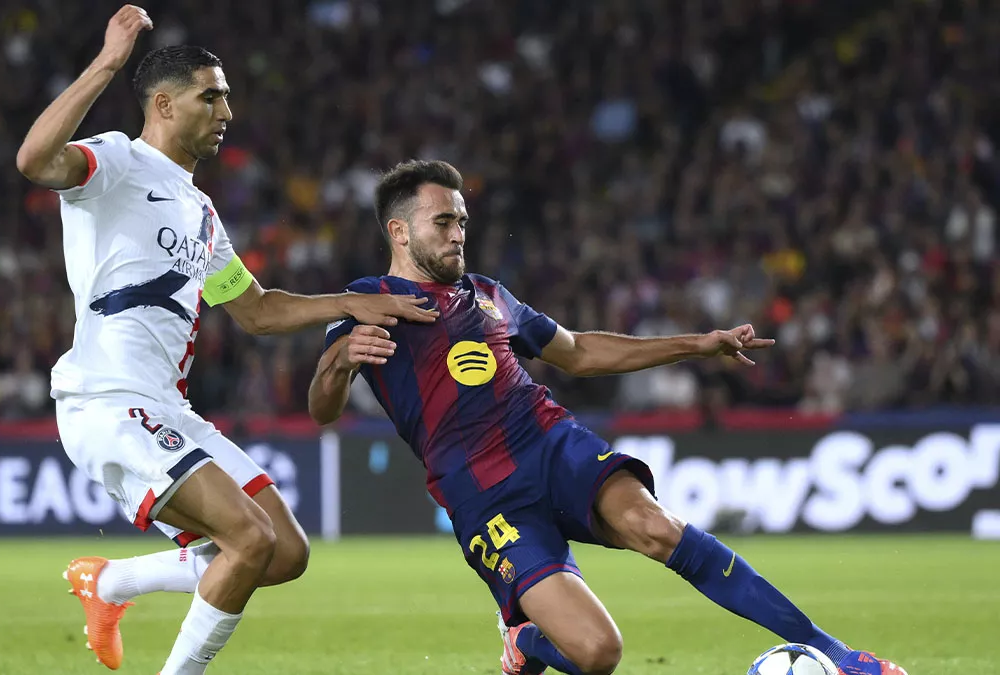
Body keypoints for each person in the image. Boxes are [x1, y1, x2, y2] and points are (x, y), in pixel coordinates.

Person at [308, 159, 907, 675]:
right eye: (444, 222)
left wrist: (696, 345)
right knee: (597, 653)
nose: (459, 234)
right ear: (399, 230)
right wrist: (340, 362)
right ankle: (525, 640)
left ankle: (837, 655)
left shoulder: (488, 294)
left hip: (548, 442)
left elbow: (579, 351)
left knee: (657, 527)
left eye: (462, 220)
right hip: (484, 495)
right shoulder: (367, 300)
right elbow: (322, 409)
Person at [14, 7, 437, 674]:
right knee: (247, 538)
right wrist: (108, 62)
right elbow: (34, 159)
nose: (226, 112)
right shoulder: (117, 162)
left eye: (227, 97)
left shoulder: (201, 212)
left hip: (166, 408)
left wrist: (349, 302)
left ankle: (111, 582)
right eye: (210, 96)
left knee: (285, 552)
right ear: (164, 104)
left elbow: (257, 311)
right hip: (108, 399)